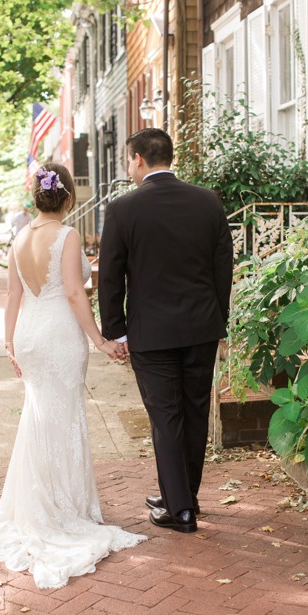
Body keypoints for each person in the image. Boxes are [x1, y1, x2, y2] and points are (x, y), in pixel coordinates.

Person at [0, 163, 145, 590]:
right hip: (58, 336)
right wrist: (101, 340)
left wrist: (10, 344)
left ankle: (41, 504)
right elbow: (74, 293)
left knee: (40, 417)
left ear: (36, 196)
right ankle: (62, 512)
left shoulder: (19, 238)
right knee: (64, 416)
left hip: (30, 335)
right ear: (68, 197)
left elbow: (13, 296)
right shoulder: (67, 236)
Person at [98, 128, 234, 535]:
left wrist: (115, 331)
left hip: (151, 333)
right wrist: (217, 317)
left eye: (128, 159)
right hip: (201, 327)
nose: (128, 166)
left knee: (166, 417)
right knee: (193, 412)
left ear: (138, 159)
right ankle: (184, 497)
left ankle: (181, 512)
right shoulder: (207, 201)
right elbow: (222, 266)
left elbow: (110, 277)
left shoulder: (123, 209)